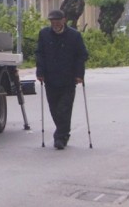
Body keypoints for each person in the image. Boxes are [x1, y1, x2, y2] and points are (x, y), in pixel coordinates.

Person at [35, 9, 89, 150]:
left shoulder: (74, 36)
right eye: (53, 21)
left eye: (58, 21)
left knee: (64, 109)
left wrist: (79, 75)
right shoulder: (44, 34)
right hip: (50, 78)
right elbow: (39, 54)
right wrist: (39, 72)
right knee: (54, 109)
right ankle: (62, 133)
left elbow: (82, 55)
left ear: (64, 20)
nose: (55, 24)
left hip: (68, 79)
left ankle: (61, 137)